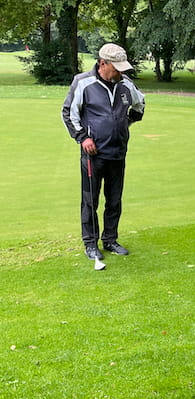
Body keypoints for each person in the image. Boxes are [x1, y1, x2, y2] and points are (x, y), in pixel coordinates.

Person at [62, 43, 145, 261]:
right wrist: (83, 137)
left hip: (118, 152)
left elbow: (140, 105)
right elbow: (68, 113)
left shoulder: (126, 84)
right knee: (90, 201)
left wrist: (124, 124)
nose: (120, 72)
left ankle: (110, 239)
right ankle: (90, 243)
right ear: (102, 63)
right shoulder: (83, 82)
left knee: (114, 200)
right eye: (116, 67)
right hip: (93, 155)